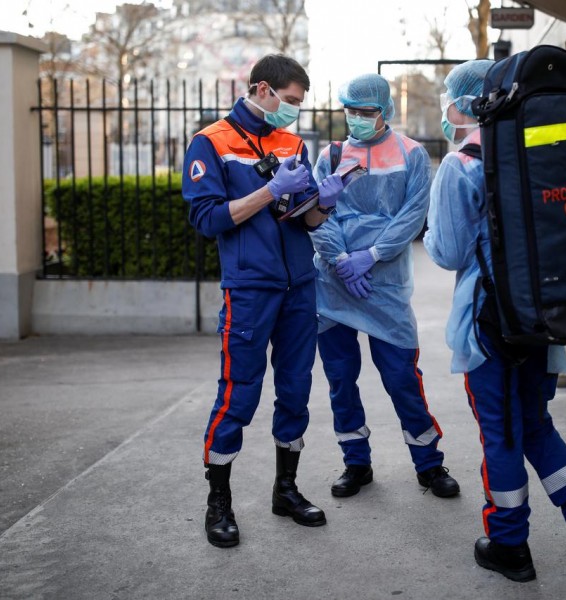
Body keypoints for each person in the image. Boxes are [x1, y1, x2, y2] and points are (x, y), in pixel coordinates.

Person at [424, 60, 566, 581]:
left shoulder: (461, 164)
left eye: (450, 100)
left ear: (467, 104)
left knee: (501, 435)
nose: (447, 111)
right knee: (535, 425)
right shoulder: (537, 151)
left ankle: (510, 544)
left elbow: (447, 253)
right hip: (541, 318)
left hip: (489, 326)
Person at [182, 54, 345, 548]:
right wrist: (270, 188)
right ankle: (219, 502)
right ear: (261, 89)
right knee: (238, 395)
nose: (294, 111)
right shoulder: (211, 143)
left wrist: (324, 203)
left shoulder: (292, 142)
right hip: (250, 289)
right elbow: (207, 219)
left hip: (299, 286)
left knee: (295, 391)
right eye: (290, 101)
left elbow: (305, 220)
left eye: (299, 103)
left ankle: (286, 489)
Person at [309, 73, 460, 499]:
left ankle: (429, 464)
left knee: (401, 378)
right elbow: (319, 214)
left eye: (366, 111)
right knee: (340, 379)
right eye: (350, 111)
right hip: (334, 285)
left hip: (386, 283)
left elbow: (413, 214)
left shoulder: (411, 154)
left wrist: (369, 257)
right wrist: (340, 260)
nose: (356, 118)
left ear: (385, 111)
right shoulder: (331, 155)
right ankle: (355, 463)